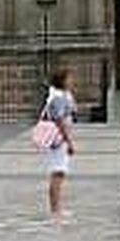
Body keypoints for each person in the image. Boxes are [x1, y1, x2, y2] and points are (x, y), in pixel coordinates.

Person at [38, 66, 77, 220]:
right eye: (69, 78)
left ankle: (56, 207)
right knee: (58, 172)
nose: (72, 81)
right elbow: (59, 120)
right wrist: (69, 141)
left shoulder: (60, 95)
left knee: (59, 172)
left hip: (58, 138)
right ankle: (55, 209)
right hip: (58, 139)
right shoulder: (59, 97)